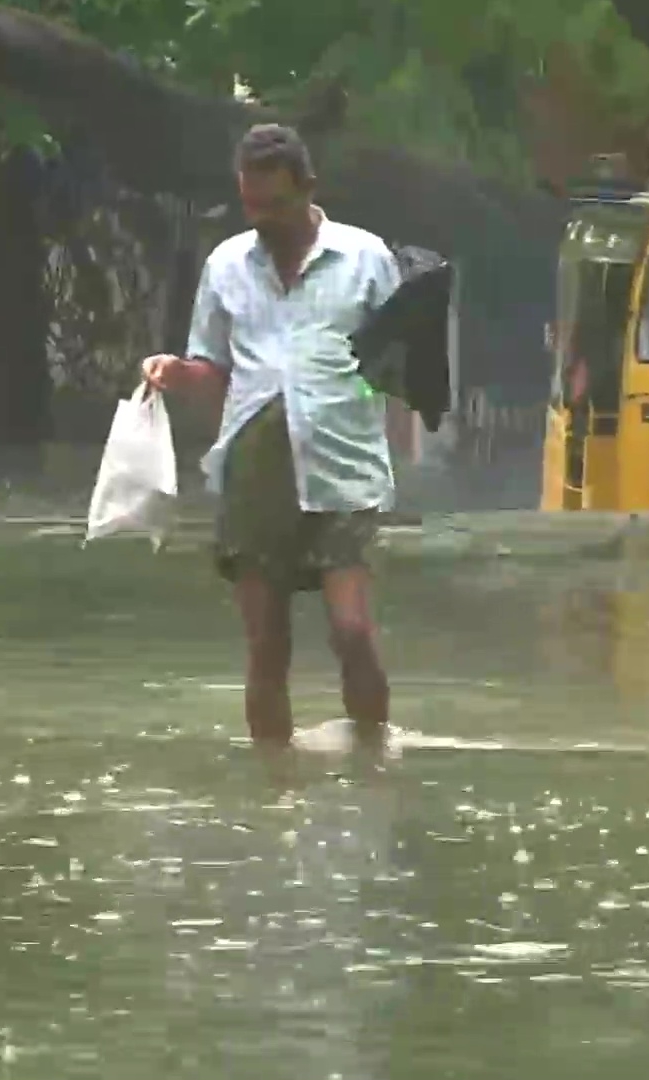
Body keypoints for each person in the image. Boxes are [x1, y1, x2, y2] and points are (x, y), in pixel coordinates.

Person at [142, 123, 401, 757]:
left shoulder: (366, 259)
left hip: (344, 468)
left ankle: (374, 760)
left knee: (352, 631)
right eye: (251, 206)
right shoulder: (227, 264)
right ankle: (272, 787)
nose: (262, 220)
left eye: (275, 206)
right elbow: (214, 370)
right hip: (255, 469)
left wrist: (395, 458)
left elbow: (398, 370)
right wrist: (176, 373)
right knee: (267, 646)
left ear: (307, 189)